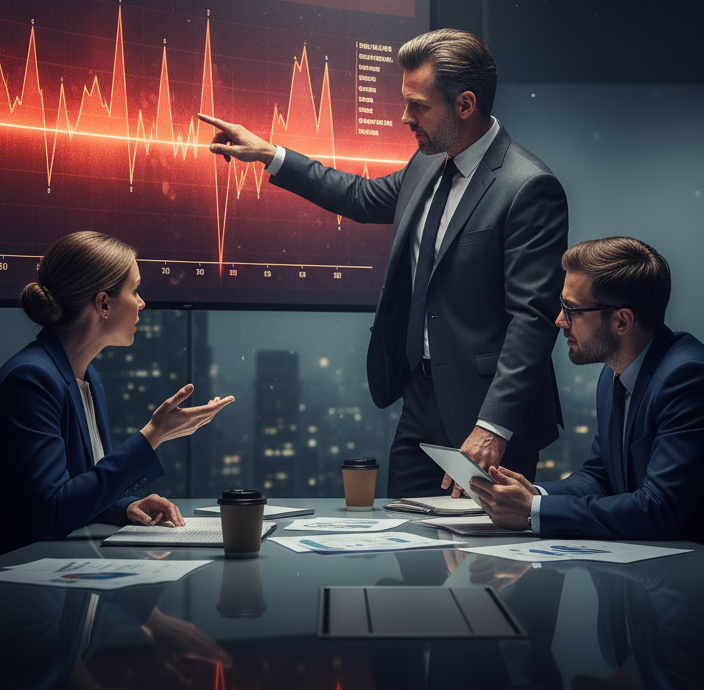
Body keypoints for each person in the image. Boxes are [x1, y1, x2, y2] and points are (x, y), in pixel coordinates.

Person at [199, 29, 568, 497]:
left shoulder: (528, 187)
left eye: (418, 105)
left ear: (465, 104)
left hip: (488, 417)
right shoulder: (428, 163)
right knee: (410, 542)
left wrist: (494, 426)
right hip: (421, 398)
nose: (404, 117)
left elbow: (532, 319)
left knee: (486, 566)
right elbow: (358, 195)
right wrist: (271, 155)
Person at [468, 237, 704, 546]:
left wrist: (533, 511)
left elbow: (660, 508)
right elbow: (600, 477)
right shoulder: (615, 373)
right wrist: (534, 495)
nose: (560, 321)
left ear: (622, 321)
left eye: (571, 309)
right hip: (656, 565)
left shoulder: (689, 380)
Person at [0, 231, 233, 559]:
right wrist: (153, 434)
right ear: (103, 304)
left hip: (50, 570)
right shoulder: (30, 380)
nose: (142, 303)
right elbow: (53, 512)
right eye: (135, 290)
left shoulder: (85, 376)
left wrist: (125, 507)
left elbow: (76, 491)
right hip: (0, 576)